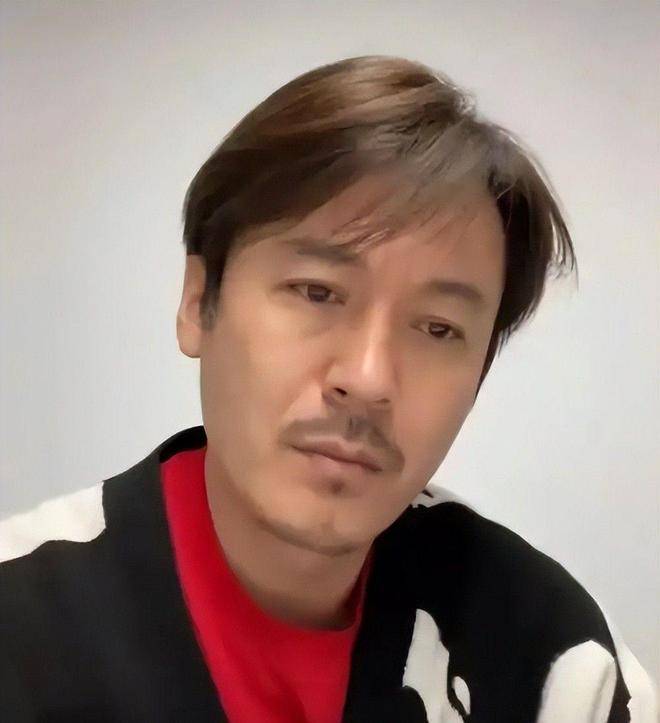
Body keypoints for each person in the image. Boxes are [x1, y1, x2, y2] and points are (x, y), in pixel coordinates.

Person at [0, 55, 656, 723]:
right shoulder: (23, 621)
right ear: (198, 301)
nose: (368, 379)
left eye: (437, 328)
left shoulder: (553, 661)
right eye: (317, 292)